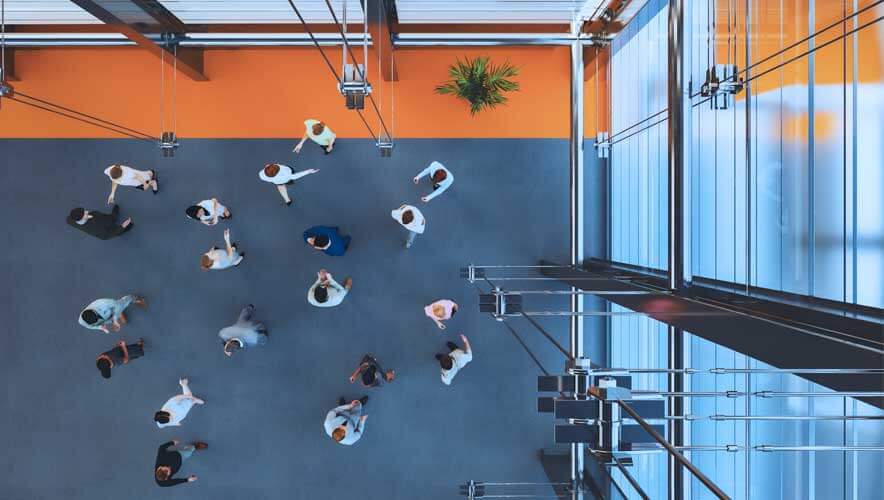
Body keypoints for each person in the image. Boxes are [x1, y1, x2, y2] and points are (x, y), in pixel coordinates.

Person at [79, 295, 146, 333]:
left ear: (94, 311)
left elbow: (118, 306)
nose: (97, 322)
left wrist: (115, 319)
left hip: (113, 308)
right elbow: (90, 326)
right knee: (121, 320)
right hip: (105, 317)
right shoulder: (82, 321)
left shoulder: (104, 302)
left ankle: (136, 299)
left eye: (96, 320)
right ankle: (119, 314)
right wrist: (100, 327)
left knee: (123, 302)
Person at [66, 205, 133, 240]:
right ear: (82, 218)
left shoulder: (70, 219)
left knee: (110, 218)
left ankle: (113, 216)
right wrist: (122, 226)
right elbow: (106, 236)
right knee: (113, 226)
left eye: (84, 211)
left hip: (102, 218)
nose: (87, 211)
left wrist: (88, 216)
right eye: (85, 213)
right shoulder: (97, 228)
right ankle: (123, 230)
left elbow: (69, 220)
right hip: (105, 225)